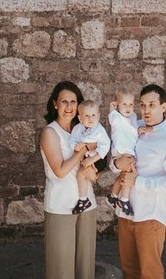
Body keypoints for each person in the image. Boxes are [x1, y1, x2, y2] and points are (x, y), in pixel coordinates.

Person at [111, 83, 166, 279]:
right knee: (129, 271)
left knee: (150, 273)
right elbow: (116, 159)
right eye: (142, 105)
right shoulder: (132, 127)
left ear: (163, 107)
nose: (145, 110)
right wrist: (117, 163)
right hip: (126, 213)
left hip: (150, 216)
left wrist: (138, 182)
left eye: (151, 105)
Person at [40, 80, 99, 279]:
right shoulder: (50, 132)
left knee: (85, 269)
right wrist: (82, 150)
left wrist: (93, 170)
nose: (69, 107)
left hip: (87, 203)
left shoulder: (83, 131)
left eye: (73, 102)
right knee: (62, 271)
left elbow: (93, 167)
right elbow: (60, 170)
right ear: (55, 104)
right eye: (64, 101)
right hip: (61, 206)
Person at [69, 100, 110, 213]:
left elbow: (105, 146)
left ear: (98, 116)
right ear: (80, 118)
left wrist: (91, 160)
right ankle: (84, 199)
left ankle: (83, 200)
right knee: (81, 173)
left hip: (98, 158)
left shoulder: (99, 131)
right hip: (86, 156)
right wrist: (76, 147)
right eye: (86, 115)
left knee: (81, 173)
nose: (90, 118)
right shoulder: (77, 129)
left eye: (93, 115)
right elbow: (72, 140)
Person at [107, 89, 141, 215]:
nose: (128, 108)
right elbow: (112, 117)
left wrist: (140, 130)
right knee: (129, 172)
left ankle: (113, 196)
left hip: (127, 150)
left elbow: (133, 131)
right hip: (122, 150)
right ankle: (124, 200)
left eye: (131, 104)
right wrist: (112, 108)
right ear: (117, 105)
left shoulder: (132, 118)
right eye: (124, 104)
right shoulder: (116, 117)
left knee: (122, 175)